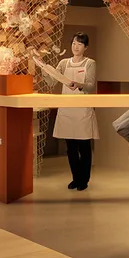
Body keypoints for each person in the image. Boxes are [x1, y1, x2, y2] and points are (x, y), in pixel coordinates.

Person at [47, 32, 98, 191]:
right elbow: (51, 81)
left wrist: (79, 84)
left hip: (82, 109)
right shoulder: (64, 63)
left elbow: (90, 85)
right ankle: (75, 178)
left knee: (84, 146)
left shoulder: (90, 63)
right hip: (67, 109)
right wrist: (45, 70)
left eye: (80, 44)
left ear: (85, 47)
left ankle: (84, 179)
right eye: (74, 43)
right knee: (70, 148)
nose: (75, 47)